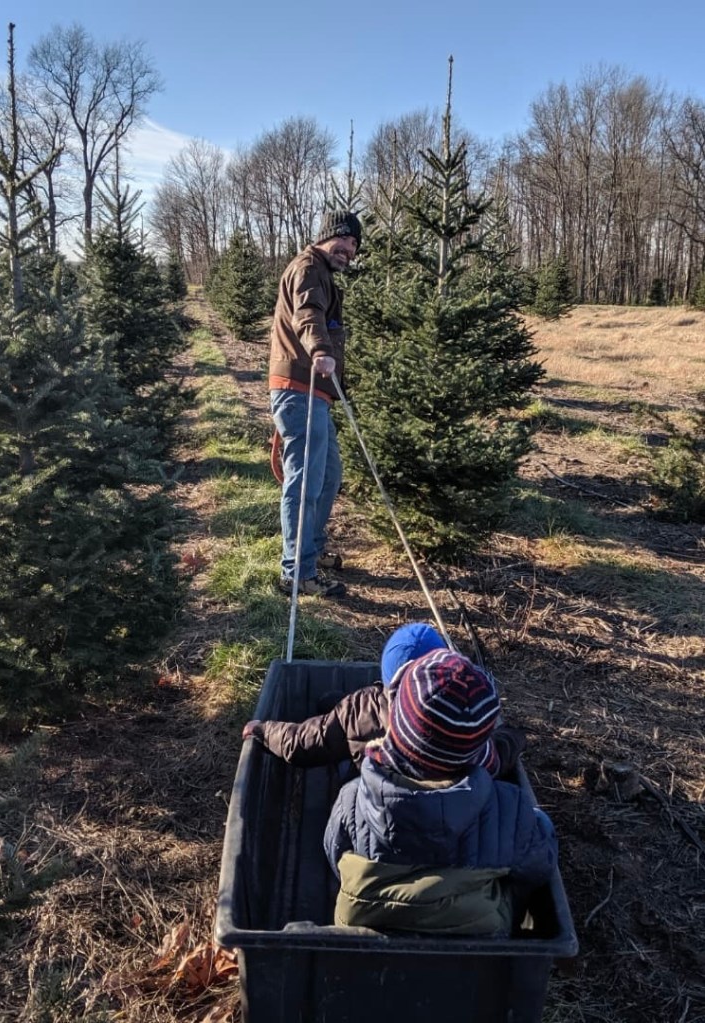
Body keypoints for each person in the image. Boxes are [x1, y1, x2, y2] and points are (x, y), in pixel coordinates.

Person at [323, 648, 557, 936]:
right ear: (480, 748)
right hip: (475, 936)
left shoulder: (352, 798)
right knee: (540, 825)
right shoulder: (509, 807)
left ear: (396, 728)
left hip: (366, 930)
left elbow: (335, 857)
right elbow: (536, 869)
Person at [242, 622, 526, 775]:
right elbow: (502, 751)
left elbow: (305, 742)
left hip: (375, 790)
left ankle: (337, 716)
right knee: (339, 710)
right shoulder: (473, 747)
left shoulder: (364, 708)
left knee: (342, 734)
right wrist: (515, 735)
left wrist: (264, 731)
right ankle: (336, 711)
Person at [269, 210, 361, 599]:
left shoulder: (323, 271)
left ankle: (312, 549)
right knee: (305, 481)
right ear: (326, 236)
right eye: (344, 239)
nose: (349, 249)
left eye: (354, 244)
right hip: (299, 387)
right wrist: (321, 350)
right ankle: (297, 573)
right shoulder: (308, 267)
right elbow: (308, 313)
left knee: (329, 476)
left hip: (316, 392)